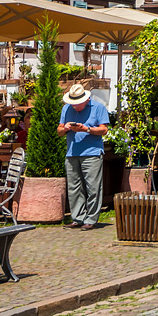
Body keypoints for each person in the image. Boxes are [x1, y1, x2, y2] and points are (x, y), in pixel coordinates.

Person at [57, 83, 109, 230]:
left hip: (92, 153)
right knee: (74, 187)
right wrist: (65, 128)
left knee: (93, 187)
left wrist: (86, 129)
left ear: (86, 99)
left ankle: (91, 219)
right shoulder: (66, 108)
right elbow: (59, 130)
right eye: (72, 103)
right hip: (72, 152)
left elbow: (104, 129)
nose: (74, 106)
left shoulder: (98, 108)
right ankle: (77, 218)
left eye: (77, 104)